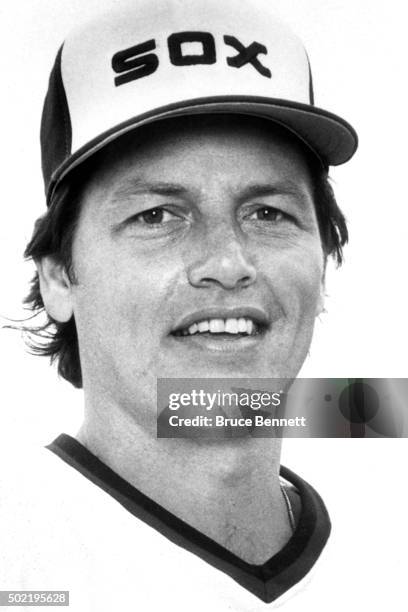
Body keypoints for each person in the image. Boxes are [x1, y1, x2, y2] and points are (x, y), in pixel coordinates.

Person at [0, 0, 358, 609]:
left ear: (322, 264)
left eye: (268, 213)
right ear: (59, 275)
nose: (226, 263)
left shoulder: (389, 548)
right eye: (157, 215)